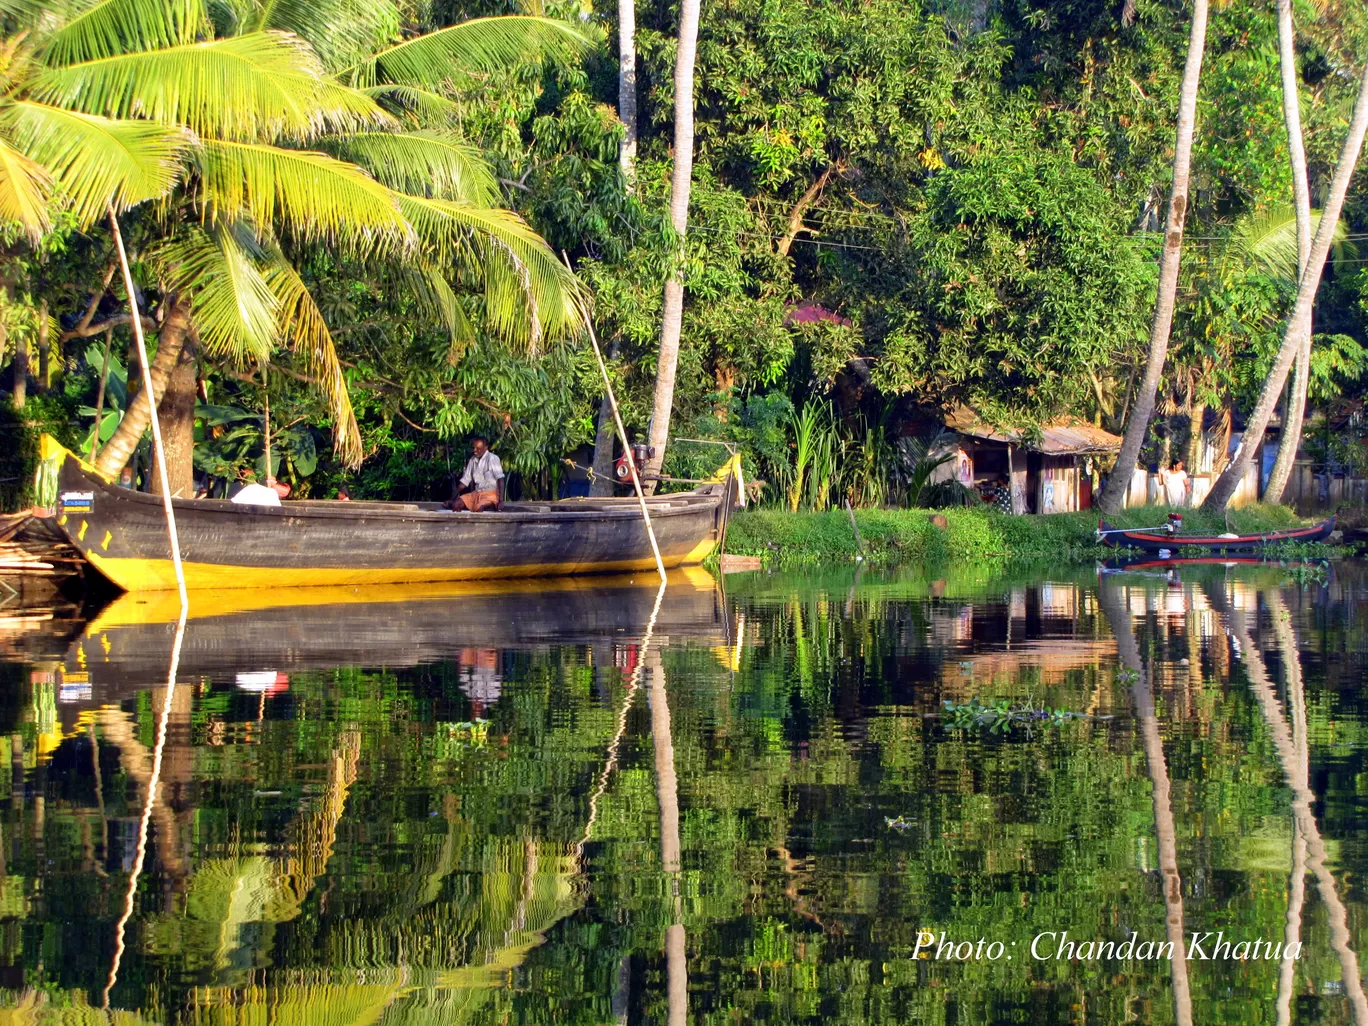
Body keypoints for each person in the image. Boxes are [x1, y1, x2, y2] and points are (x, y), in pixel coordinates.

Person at [449, 436, 505, 512]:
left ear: (485, 447)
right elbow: (464, 482)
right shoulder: (472, 460)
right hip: (476, 494)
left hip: (490, 495)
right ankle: (462, 523)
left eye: (478, 448)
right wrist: (451, 499)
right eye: (474, 448)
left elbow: (500, 479)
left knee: (479, 508)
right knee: (455, 505)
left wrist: (501, 501)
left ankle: (490, 506)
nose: (475, 450)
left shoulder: (493, 458)